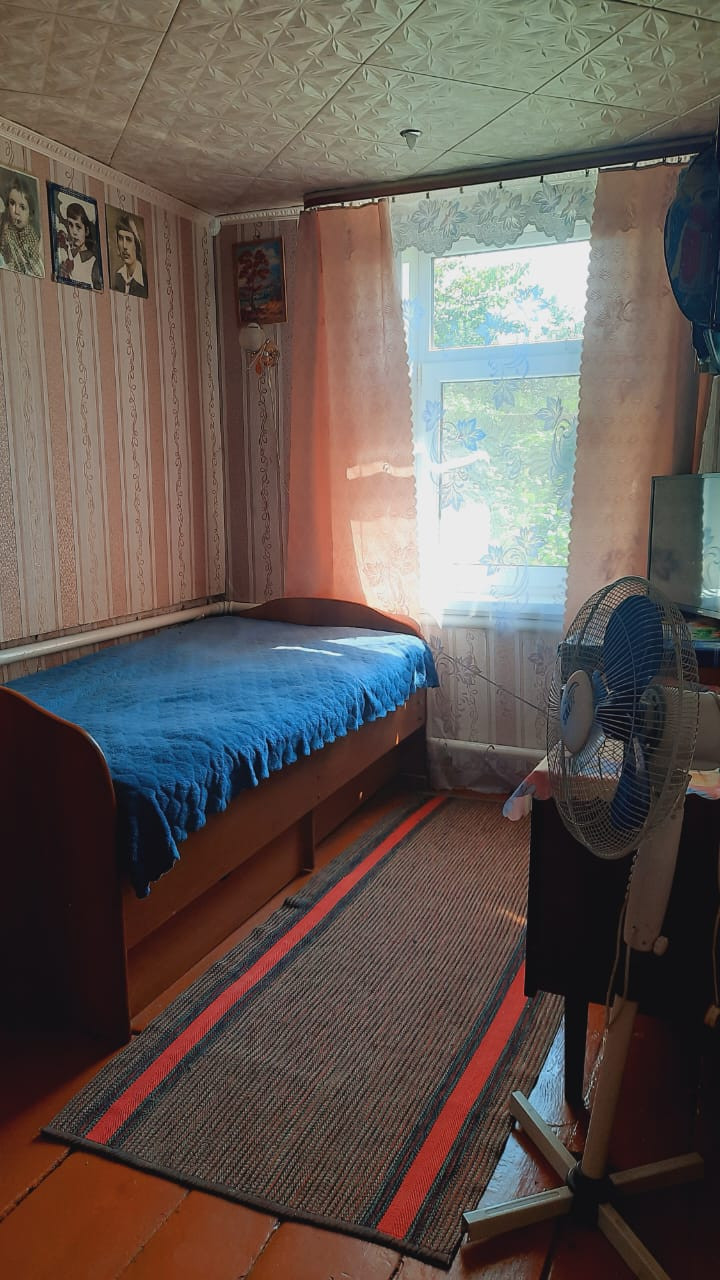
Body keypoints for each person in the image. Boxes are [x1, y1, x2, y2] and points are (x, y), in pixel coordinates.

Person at [0, 173, 44, 277]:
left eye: (22, 207)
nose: (16, 211)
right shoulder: (6, 226)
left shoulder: (30, 236)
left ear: (30, 215)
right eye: (12, 203)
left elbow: (32, 265)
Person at [57, 201, 102, 290]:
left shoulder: (93, 262)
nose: (74, 232)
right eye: (71, 225)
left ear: (87, 231)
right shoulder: (67, 254)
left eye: (78, 227)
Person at [112, 213, 147, 298]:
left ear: (136, 244)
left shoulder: (144, 281)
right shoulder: (117, 277)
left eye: (128, 239)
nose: (124, 246)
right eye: (121, 238)